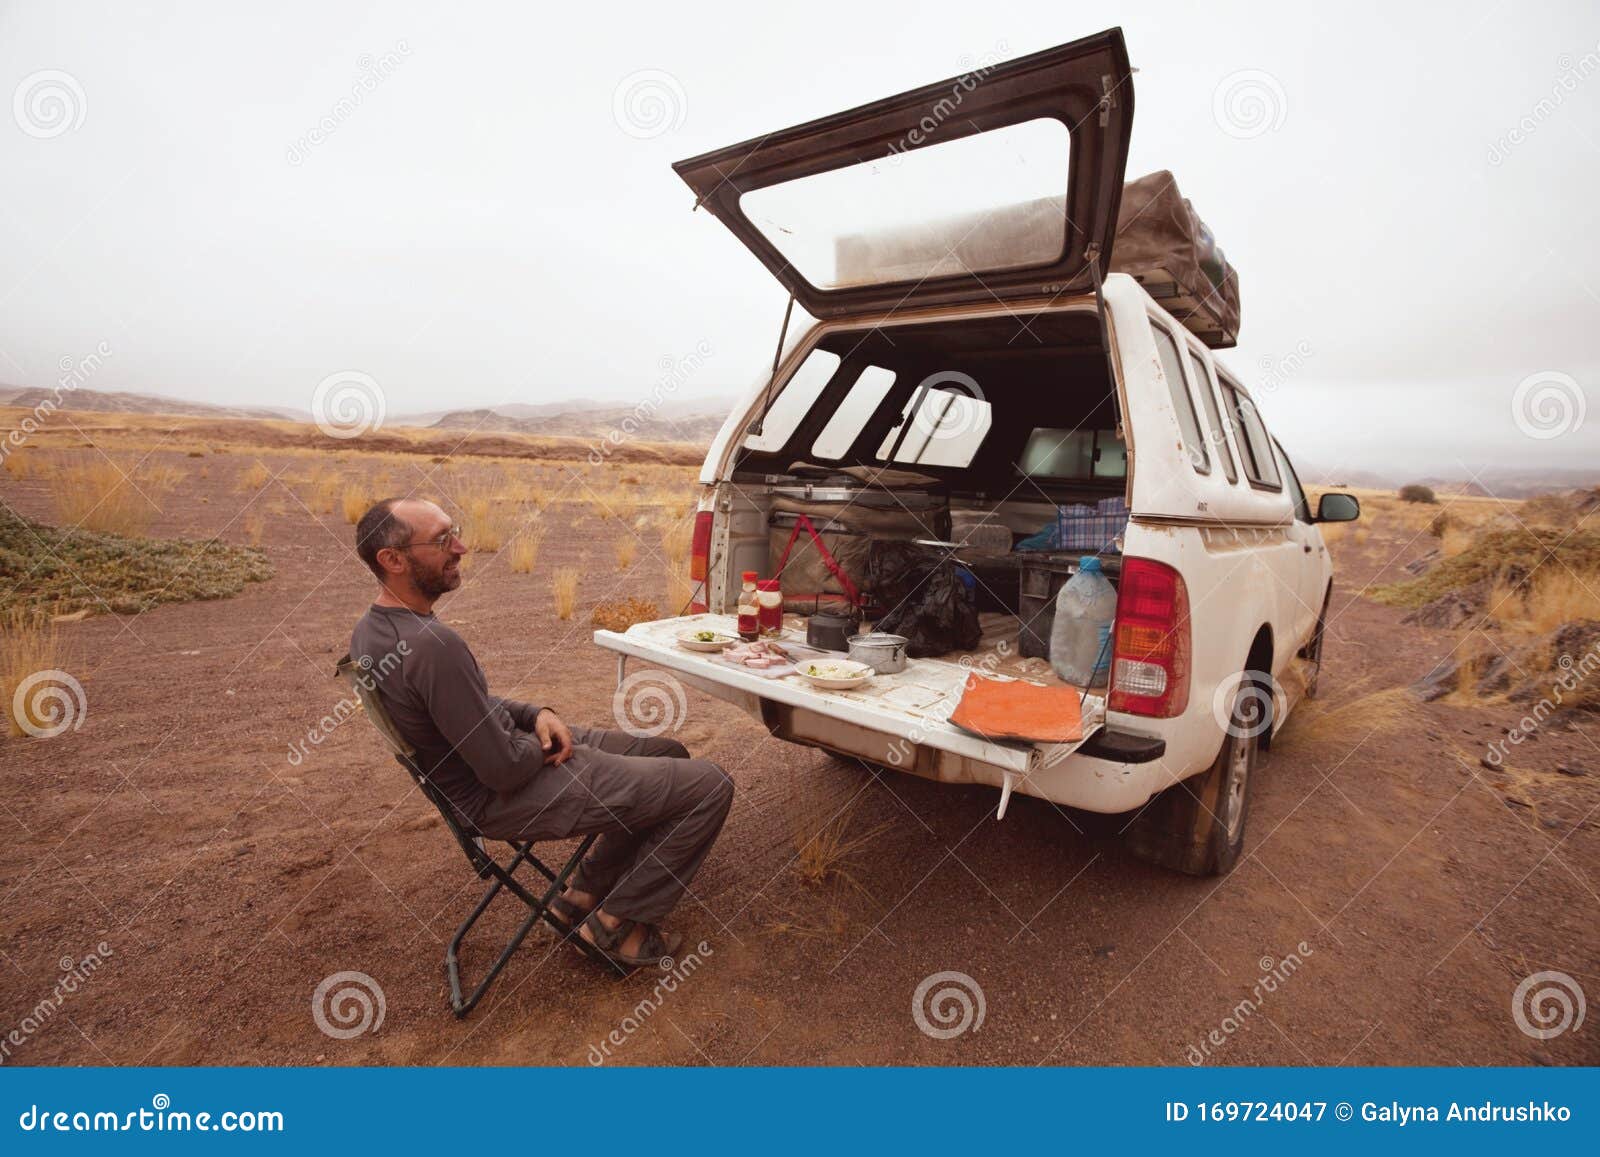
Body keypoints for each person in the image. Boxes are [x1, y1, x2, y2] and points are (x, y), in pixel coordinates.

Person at [349, 496, 732, 970]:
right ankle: (616, 927)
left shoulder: (374, 631)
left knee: (666, 752)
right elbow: (504, 770)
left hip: (494, 766)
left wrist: (535, 715)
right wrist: (541, 742)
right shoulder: (432, 646)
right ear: (392, 559)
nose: (461, 548)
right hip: (498, 795)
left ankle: (581, 895)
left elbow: (468, 705)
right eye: (443, 540)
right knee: (710, 786)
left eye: (455, 532)